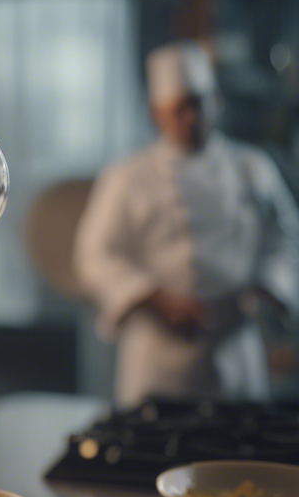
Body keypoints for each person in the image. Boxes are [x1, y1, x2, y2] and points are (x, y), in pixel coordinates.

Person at [74, 40, 299, 406]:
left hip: (236, 347)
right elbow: (94, 255)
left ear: (217, 103)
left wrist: (270, 285)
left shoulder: (252, 166)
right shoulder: (126, 177)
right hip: (158, 358)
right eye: (179, 109)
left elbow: (286, 236)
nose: (191, 118)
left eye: (198, 104)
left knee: (240, 452)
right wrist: (157, 299)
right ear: (156, 113)